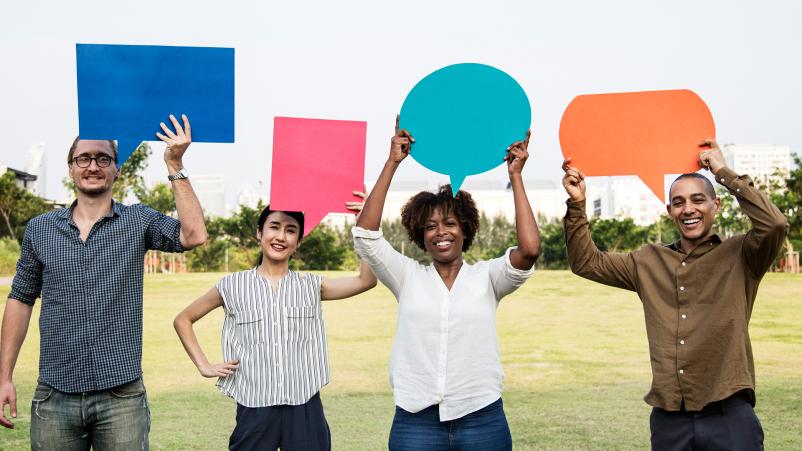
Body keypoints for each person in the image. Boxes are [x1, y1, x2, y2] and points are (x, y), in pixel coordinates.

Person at [561, 139, 788, 450]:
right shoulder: (647, 262)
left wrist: (722, 172)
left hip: (729, 414)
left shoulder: (743, 255)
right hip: (670, 420)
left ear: (715, 206)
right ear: (669, 211)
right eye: (679, 202)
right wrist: (577, 204)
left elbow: (775, 224)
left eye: (698, 200)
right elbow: (586, 263)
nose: (688, 209)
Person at [0, 115, 207, 449]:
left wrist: (175, 162)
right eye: (83, 158)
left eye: (103, 159)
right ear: (70, 168)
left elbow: (194, 235)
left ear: (116, 169)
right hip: (55, 395)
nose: (92, 165)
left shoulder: (138, 221)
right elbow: (20, 300)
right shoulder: (39, 230)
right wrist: (4, 377)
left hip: (121, 396)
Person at [353, 117, 540, 450]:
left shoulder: (487, 277)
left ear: (464, 229)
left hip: (481, 417)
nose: (440, 231)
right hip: (415, 421)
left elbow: (529, 251)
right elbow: (367, 236)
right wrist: (392, 163)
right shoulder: (407, 276)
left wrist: (515, 176)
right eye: (430, 226)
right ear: (419, 236)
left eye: (450, 223)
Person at [173, 199, 377, 451]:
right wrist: (204, 365)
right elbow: (183, 319)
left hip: (305, 407)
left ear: (298, 242)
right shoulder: (231, 286)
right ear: (260, 233)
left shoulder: (312, 286)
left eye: (291, 230)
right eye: (274, 227)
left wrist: (365, 224)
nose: (281, 236)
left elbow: (366, 280)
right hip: (254, 408)